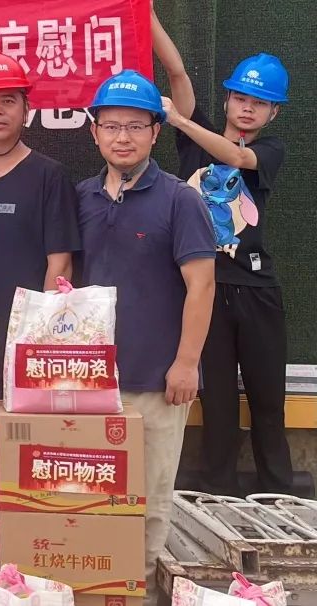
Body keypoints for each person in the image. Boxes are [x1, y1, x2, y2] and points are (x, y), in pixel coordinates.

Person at [76, 70, 215, 605]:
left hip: (156, 383)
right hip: (87, 387)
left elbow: (201, 285)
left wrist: (187, 363)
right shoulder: (82, 196)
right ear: (94, 131)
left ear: (156, 132)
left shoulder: (180, 200)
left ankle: (137, 596)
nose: (123, 137)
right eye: (112, 126)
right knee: (88, 501)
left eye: (136, 126)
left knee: (149, 503)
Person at [153, 10, 293, 496]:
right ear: (228, 99)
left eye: (261, 103)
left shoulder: (270, 149)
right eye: (241, 98)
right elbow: (176, 73)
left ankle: (280, 497)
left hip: (257, 291)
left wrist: (178, 120)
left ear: (274, 113)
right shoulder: (195, 136)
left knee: (268, 402)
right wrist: (146, 14)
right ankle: (217, 495)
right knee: (216, 405)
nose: (248, 109)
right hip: (204, 293)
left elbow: (236, 157)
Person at [0, 50, 82, 393]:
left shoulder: (50, 176)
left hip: (25, 338)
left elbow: (60, 265)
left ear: (26, 110)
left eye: (8, 101)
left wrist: (39, 338)